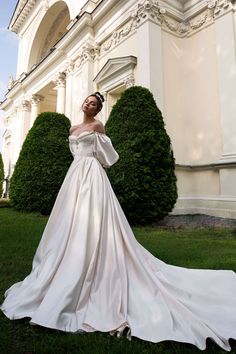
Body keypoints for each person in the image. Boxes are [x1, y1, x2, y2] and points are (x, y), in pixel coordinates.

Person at [1, 92, 236, 351]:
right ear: (83, 104)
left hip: (92, 175)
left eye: (94, 103)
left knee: (95, 220)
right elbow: (73, 152)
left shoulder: (98, 127)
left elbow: (109, 157)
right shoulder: (73, 128)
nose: (89, 105)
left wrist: (92, 163)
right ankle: (66, 261)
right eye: (87, 101)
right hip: (74, 176)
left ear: (98, 109)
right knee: (69, 221)